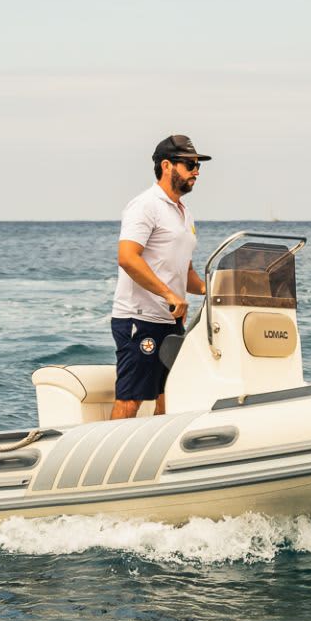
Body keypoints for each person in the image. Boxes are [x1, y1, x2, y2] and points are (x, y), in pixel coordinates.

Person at [110, 134, 210, 419]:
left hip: (171, 321)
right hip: (139, 319)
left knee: (169, 400)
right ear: (167, 165)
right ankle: (109, 447)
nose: (196, 172)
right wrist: (168, 294)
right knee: (131, 400)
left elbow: (185, 272)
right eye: (190, 165)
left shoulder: (184, 213)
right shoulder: (145, 205)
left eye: (198, 165)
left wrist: (216, 288)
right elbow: (128, 258)